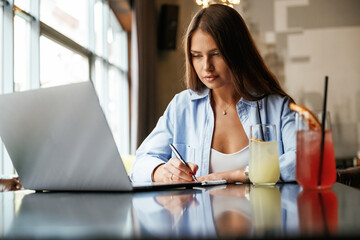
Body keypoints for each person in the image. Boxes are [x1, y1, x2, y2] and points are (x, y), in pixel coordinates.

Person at [130, 4, 296, 183]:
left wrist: (233, 175)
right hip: (197, 212)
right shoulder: (182, 106)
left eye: (215, 54)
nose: (206, 66)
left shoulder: (278, 108)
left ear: (238, 52)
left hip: (264, 211)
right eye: (197, 56)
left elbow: (303, 162)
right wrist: (162, 172)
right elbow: (140, 164)